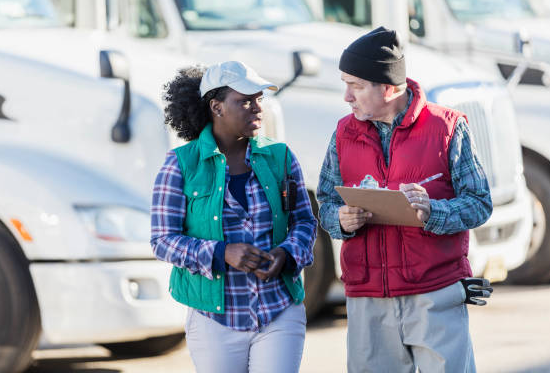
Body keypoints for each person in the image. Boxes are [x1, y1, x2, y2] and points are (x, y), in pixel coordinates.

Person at [316, 26, 493, 373]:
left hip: (435, 295)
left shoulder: (448, 128)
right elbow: (325, 203)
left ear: (389, 88)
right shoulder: (342, 133)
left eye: (356, 85)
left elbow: (479, 202)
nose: (347, 97)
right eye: (345, 84)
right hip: (367, 301)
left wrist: (433, 211)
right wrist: (340, 220)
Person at [151, 61, 317, 373]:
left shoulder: (280, 156)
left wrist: (288, 253)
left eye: (258, 99)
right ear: (217, 107)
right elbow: (162, 240)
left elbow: (304, 222)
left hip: (278, 309)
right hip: (214, 319)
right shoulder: (180, 165)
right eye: (244, 101)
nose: (257, 108)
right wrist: (221, 253)